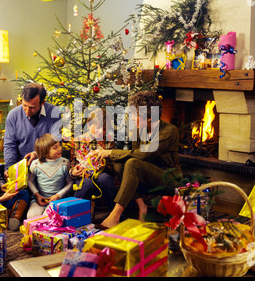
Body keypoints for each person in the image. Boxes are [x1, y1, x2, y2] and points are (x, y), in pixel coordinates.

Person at [94, 91, 182, 228]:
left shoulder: (170, 131)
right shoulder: (138, 130)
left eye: (135, 115)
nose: (132, 119)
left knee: (132, 163)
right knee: (119, 164)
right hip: (145, 176)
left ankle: (115, 216)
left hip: (168, 178)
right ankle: (142, 205)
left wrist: (111, 152)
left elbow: (144, 154)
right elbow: (135, 154)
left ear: (148, 117)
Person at [4, 82, 61, 175]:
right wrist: (9, 168)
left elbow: (56, 140)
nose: (27, 111)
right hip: (22, 170)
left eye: (32, 107)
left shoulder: (54, 112)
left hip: (48, 168)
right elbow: (10, 146)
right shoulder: (13, 115)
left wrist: (38, 153)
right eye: (24, 105)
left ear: (42, 103)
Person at [69, 108, 116, 211]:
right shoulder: (78, 140)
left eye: (104, 129)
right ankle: (74, 215)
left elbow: (113, 167)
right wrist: (74, 172)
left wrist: (105, 159)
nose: (100, 132)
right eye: (97, 127)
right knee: (86, 184)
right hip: (83, 178)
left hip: (100, 176)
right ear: (89, 125)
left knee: (105, 179)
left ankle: (115, 214)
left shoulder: (108, 142)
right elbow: (72, 165)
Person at [26, 133, 73, 218]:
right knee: (31, 216)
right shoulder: (35, 164)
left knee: (48, 217)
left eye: (59, 145)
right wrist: (37, 195)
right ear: (44, 152)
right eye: (55, 148)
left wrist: (58, 196)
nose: (60, 149)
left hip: (59, 200)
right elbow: (30, 181)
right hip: (40, 199)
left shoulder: (65, 163)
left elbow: (70, 183)